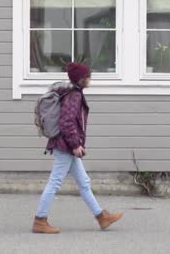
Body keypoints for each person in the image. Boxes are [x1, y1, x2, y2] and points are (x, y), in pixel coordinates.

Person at [32, 62, 124, 234]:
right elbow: (66, 122)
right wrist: (75, 145)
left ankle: (102, 217)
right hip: (65, 145)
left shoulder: (74, 93)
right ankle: (40, 220)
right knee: (55, 182)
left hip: (67, 144)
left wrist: (76, 145)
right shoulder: (73, 96)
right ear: (81, 79)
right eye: (88, 76)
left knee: (84, 182)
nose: (90, 79)